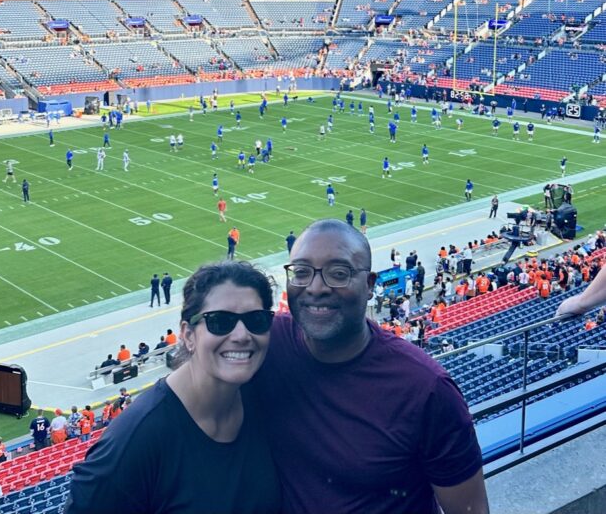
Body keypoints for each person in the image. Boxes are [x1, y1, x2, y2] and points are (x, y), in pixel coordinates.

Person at [254, 220, 487, 514]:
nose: (316, 287)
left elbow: (470, 511)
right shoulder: (265, 342)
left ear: (369, 286)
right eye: (301, 272)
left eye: (338, 274)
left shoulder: (425, 388)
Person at [63, 260, 281, 514]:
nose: (242, 335)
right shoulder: (137, 440)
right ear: (188, 335)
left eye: (256, 319)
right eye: (220, 321)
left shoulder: (262, 396)